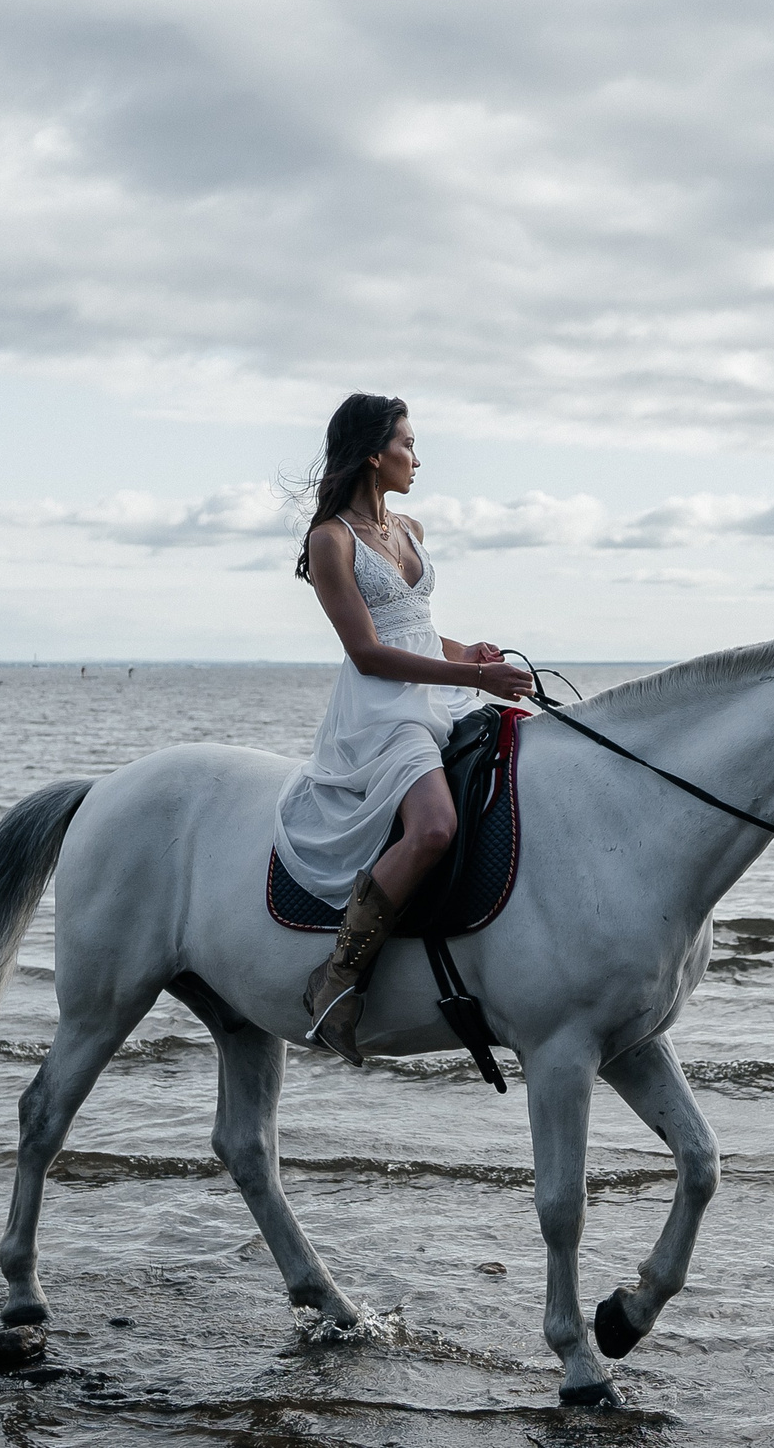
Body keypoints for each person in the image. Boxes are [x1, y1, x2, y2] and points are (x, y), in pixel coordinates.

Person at [275, 393, 534, 1063]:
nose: (417, 459)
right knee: (434, 827)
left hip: (439, 694)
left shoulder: (410, 526)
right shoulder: (330, 540)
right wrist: (475, 676)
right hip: (384, 711)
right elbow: (368, 650)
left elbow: (413, 627)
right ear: (373, 453)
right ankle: (337, 978)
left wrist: (467, 653)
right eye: (408, 444)